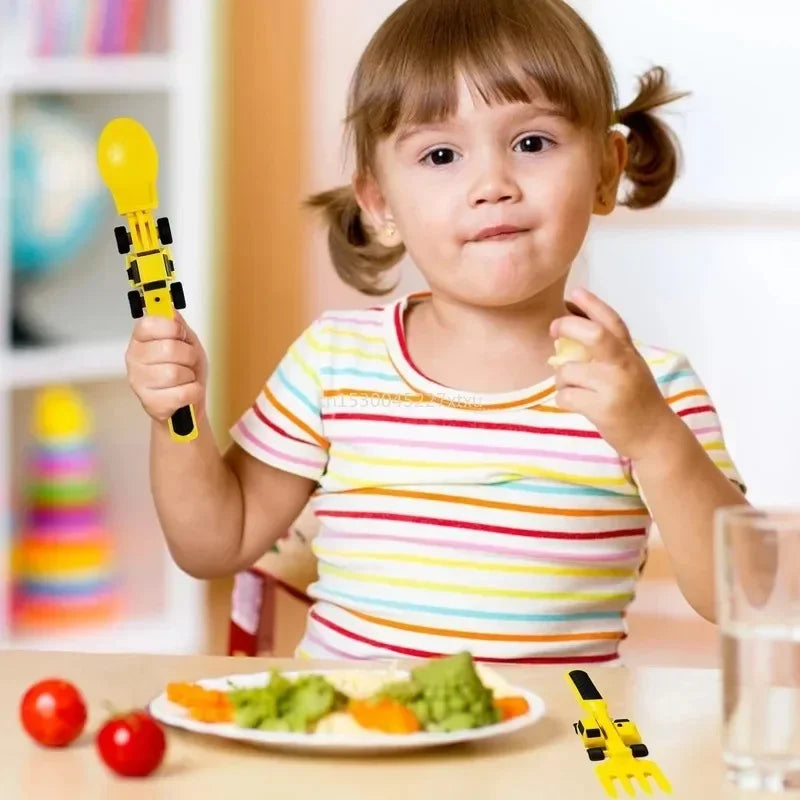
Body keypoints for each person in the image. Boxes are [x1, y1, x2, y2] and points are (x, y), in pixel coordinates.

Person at [125, 0, 747, 666]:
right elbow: (213, 544)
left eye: (531, 143)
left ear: (604, 168)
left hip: (551, 753)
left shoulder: (648, 389)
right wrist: (176, 418)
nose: (492, 185)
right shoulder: (335, 362)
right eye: (442, 154)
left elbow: (740, 594)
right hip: (357, 735)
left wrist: (653, 436)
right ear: (381, 204)